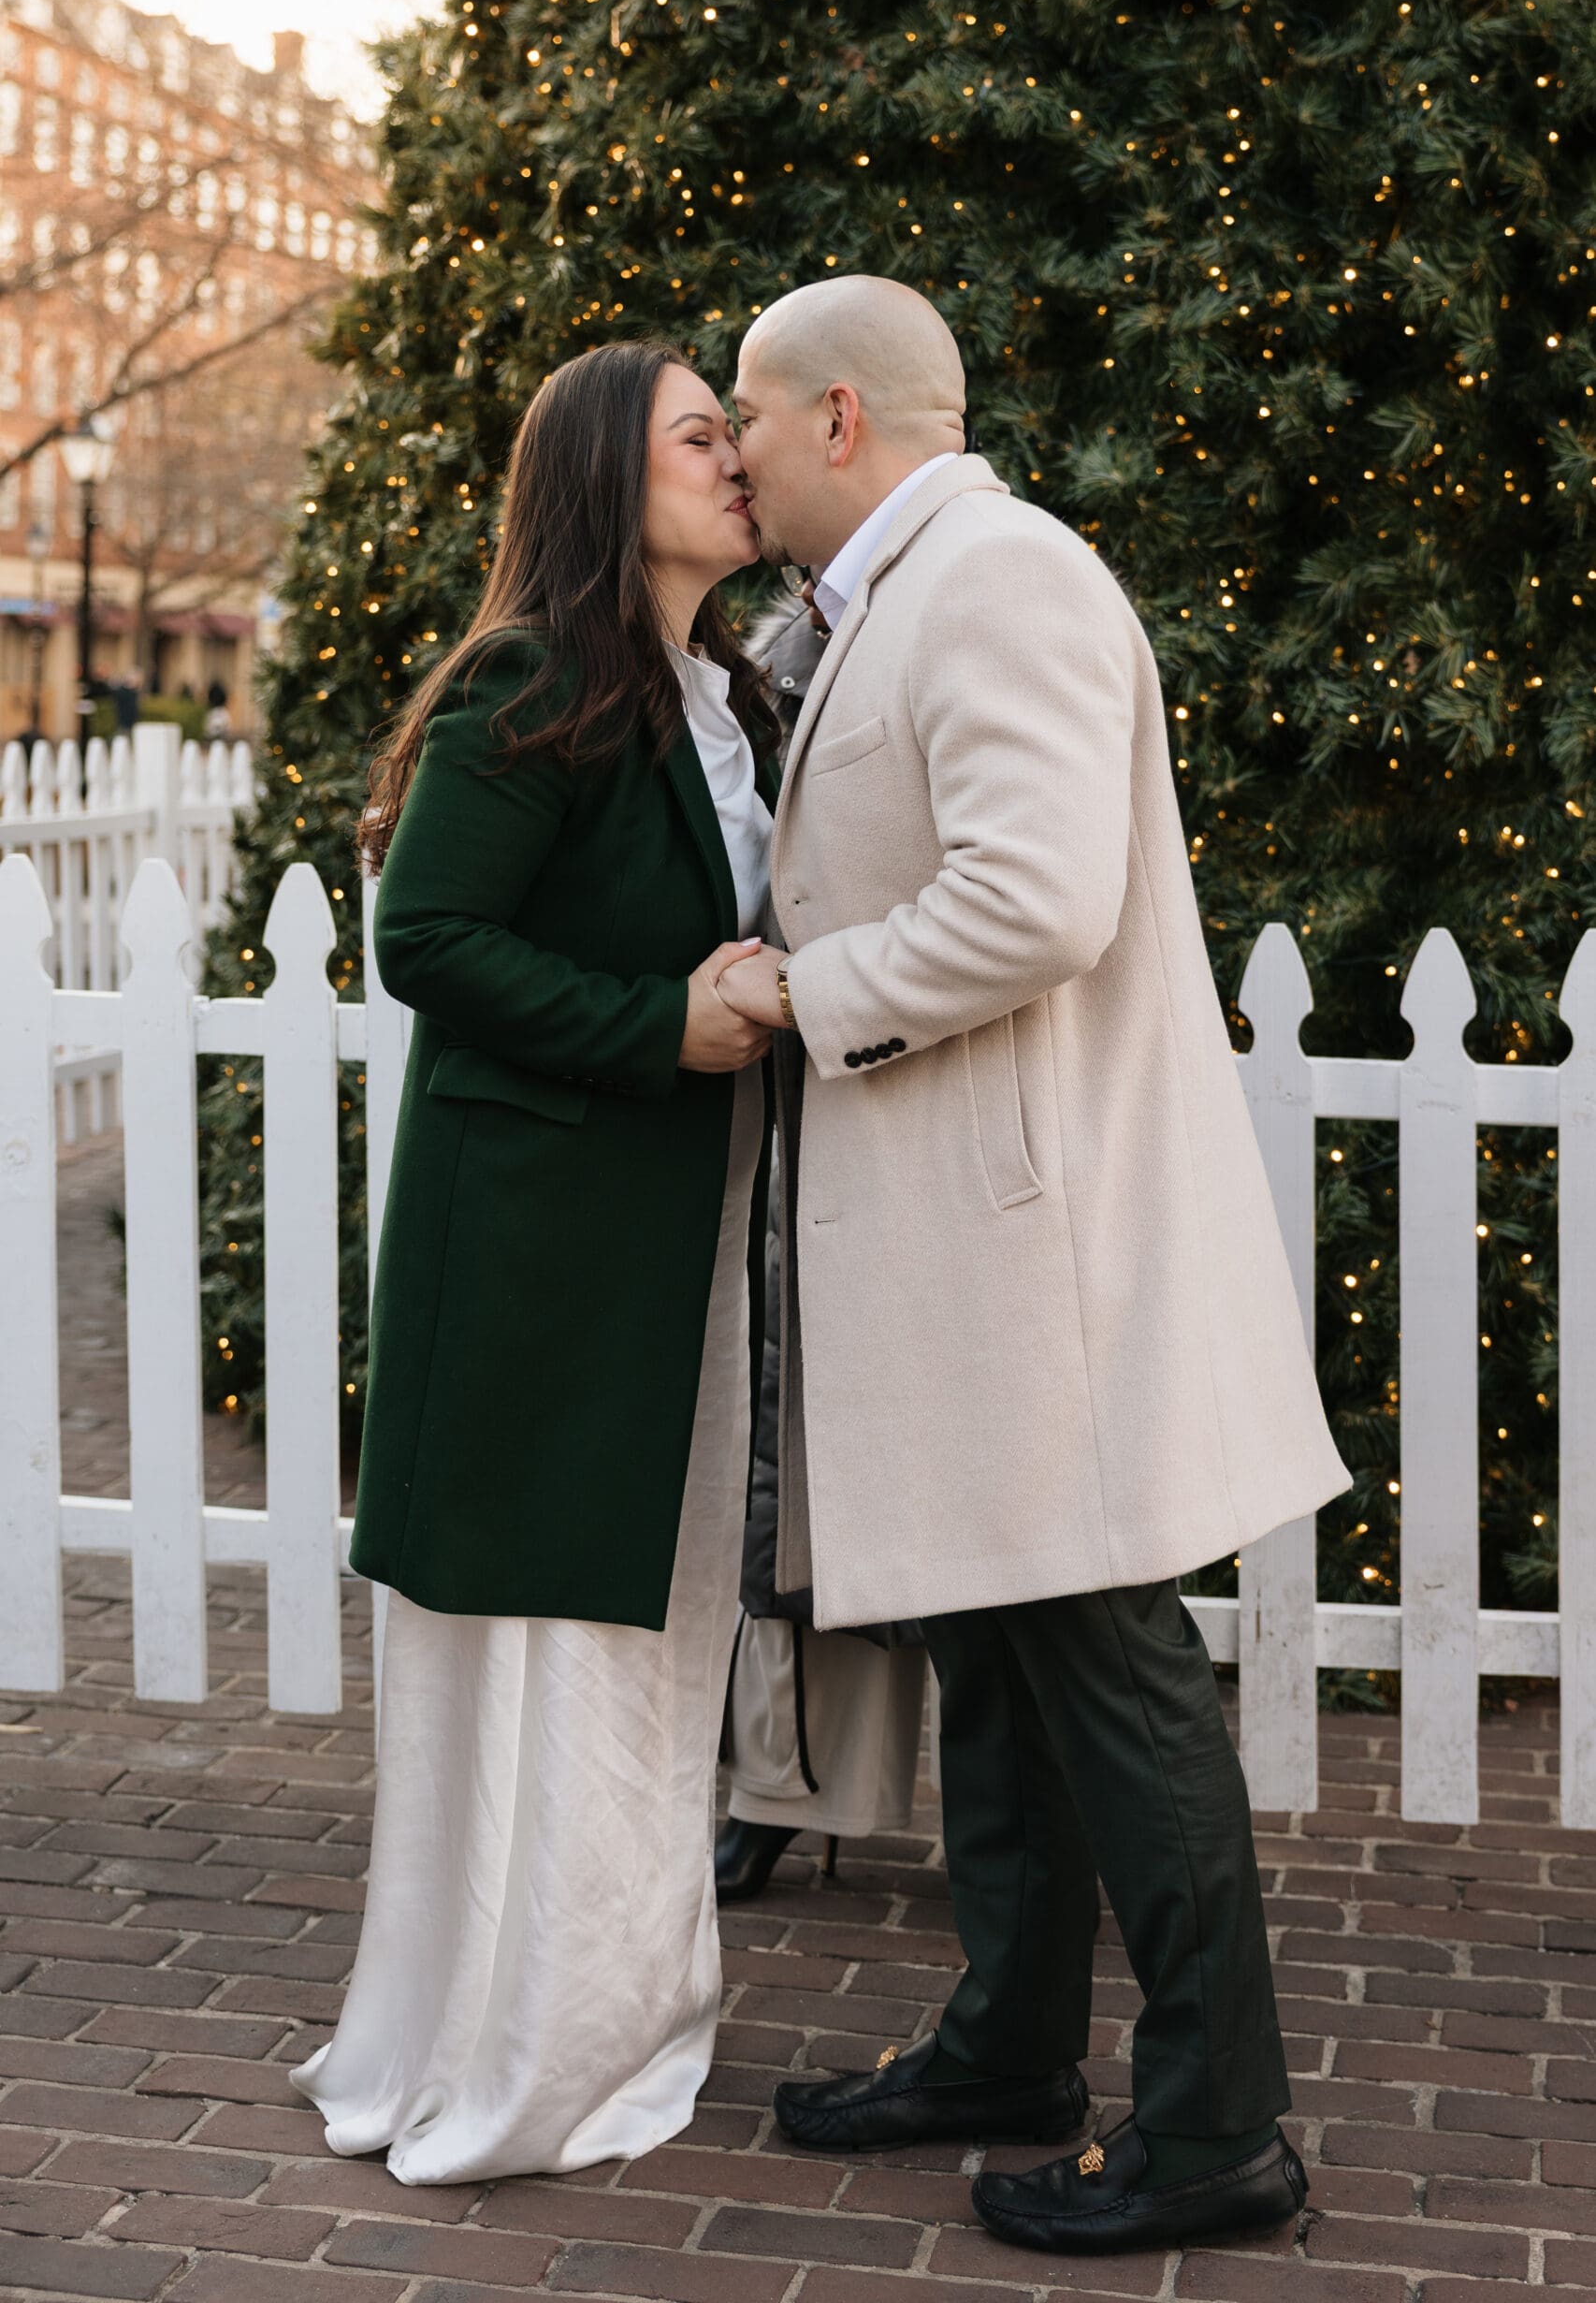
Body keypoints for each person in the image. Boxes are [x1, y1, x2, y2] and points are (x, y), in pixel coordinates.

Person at [718, 276, 1350, 2258]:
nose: (727, 453)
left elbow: (1035, 891)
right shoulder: (905, 596)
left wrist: (811, 994)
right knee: (999, 1664)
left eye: (743, 414)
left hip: (1034, 1256)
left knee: (1105, 1668)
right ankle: (1004, 2044)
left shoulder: (998, 577)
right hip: (969, 1257)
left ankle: (1217, 2126)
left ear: (838, 419)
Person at [291, 339, 780, 2183]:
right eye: (697, 434)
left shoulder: (717, 690)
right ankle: (523, 2042)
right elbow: (427, 934)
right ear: (602, 476)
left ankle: (605, 2005)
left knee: (645, 1637)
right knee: (549, 1646)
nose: (733, 459)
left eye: (735, 432)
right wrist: (656, 1022)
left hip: (668, 1235)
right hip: (535, 1257)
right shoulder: (530, 680)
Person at [716, 588, 930, 1905]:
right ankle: (782, 1786)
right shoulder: (763, 648)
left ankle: (1043, 1828)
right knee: (795, 1465)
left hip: (922, 1060)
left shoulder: (961, 602)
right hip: (791, 1073)